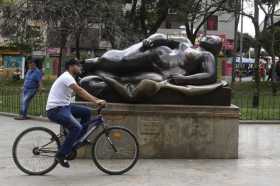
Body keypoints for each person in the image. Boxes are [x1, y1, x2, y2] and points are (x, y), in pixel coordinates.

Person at [46, 59, 106, 168]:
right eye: (78, 65)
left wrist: (97, 99)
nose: (80, 68)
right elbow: (79, 91)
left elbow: (79, 91)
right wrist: (96, 101)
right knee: (76, 128)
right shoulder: (66, 77)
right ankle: (60, 155)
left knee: (86, 112)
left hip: (64, 106)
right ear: (71, 67)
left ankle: (78, 140)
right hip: (55, 109)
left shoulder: (70, 77)